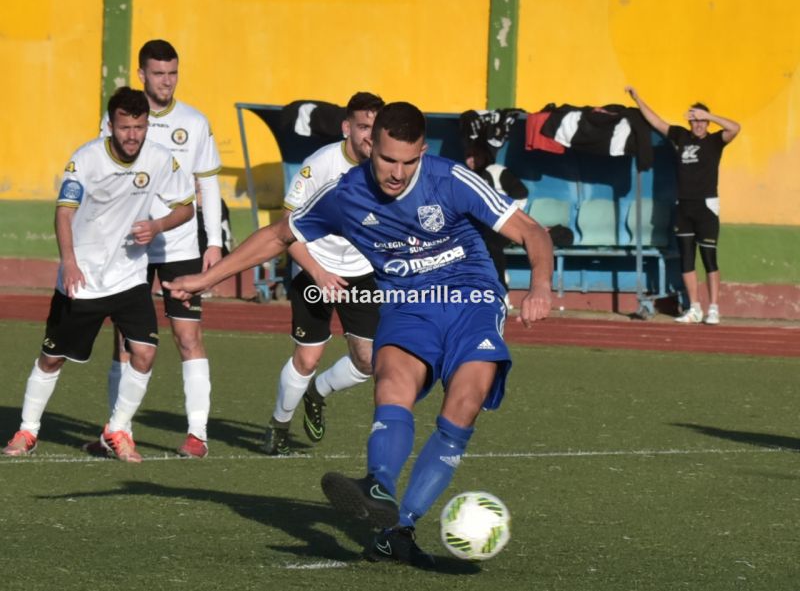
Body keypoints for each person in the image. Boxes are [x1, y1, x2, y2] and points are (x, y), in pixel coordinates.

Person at [164, 102, 553, 567]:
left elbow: (532, 231)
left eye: (409, 162)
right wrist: (206, 280)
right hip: (408, 305)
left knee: (464, 403)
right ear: (370, 145)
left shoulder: (448, 178)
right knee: (390, 381)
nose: (397, 172)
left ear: (422, 152)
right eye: (388, 159)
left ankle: (400, 531)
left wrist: (540, 287)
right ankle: (378, 486)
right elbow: (278, 236)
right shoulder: (344, 194)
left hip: (471, 299)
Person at [2, 87, 195, 462]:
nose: (133, 136)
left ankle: (118, 429)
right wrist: (69, 262)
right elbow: (63, 213)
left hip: (130, 276)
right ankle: (27, 430)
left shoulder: (160, 159)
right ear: (111, 126)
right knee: (52, 358)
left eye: (139, 127)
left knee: (144, 352)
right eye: (125, 128)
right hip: (84, 278)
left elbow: (186, 208)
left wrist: (157, 225)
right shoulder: (85, 160)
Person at [95, 40, 224, 458]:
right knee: (124, 339)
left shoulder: (195, 122)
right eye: (158, 73)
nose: (166, 81)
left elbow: (208, 184)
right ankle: (119, 430)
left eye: (172, 73)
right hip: (130, 246)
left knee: (188, 335)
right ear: (141, 75)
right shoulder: (115, 120)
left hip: (180, 245)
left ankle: (198, 435)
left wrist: (215, 243)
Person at [263, 92, 385, 455]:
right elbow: (285, 228)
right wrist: (317, 272)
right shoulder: (319, 165)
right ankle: (278, 426)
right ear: (347, 128)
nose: (370, 137)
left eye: (376, 129)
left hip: (361, 271)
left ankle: (318, 393)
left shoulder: (386, 168)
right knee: (308, 357)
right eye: (364, 127)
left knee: (369, 360)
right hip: (313, 265)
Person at [626, 87, 740, 324]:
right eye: (695, 120)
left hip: (706, 206)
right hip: (683, 206)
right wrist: (638, 98)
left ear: (707, 123)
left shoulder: (715, 141)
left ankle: (714, 309)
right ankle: (695, 308)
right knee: (686, 258)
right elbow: (656, 122)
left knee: (709, 258)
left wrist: (708, 115)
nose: (698, 125)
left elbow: (735, 128)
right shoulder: (680, 136)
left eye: (702, 121)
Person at [464, 141, 529, 306]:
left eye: (475, 156)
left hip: (505, 227)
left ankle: (502, 292)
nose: (471, 160)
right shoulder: (466, 176)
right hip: (480, 227)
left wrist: (507, 217)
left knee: (491, 245)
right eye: (468, 156)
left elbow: (522, 194)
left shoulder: (497, 171)